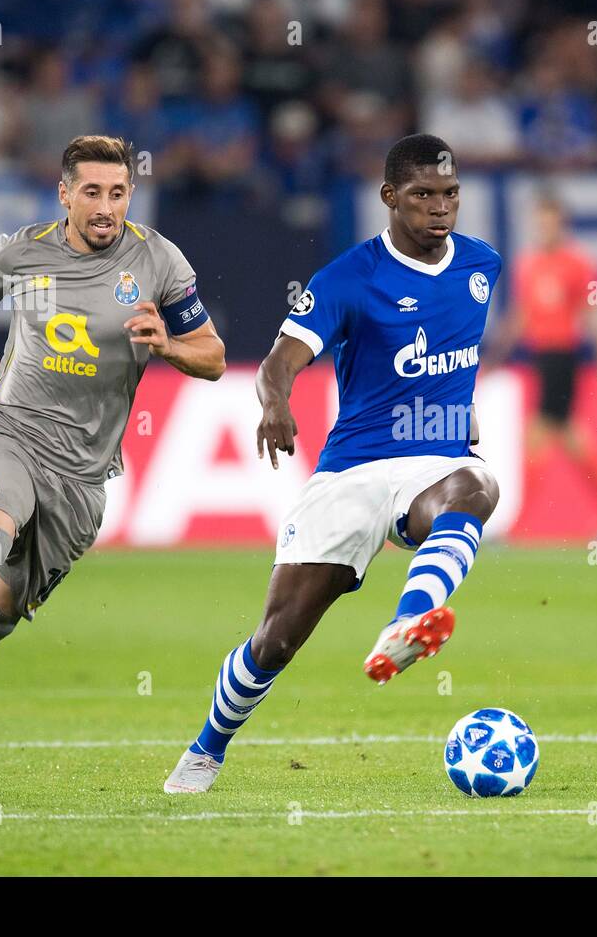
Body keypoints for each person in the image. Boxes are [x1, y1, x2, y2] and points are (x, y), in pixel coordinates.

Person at [0, 135, 226, 780]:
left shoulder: (158, 261)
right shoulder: (23, 252)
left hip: (82, 474)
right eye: (91, 193)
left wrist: (167, 345)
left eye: (117, 193)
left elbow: (214, 357)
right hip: (12, 433)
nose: (106, 206)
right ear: (65, 194)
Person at [163, 134, 502, 795]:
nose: (441, 208)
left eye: (451, 194)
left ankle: (408, 621)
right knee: (276, 642)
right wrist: (274, 404)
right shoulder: (350, 277)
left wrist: (462, 414)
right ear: (389, 198)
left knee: (477, 484)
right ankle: (207, 748)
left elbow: (453, 356)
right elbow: (280, 359)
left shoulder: (483, 265)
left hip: (433, 464)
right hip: (353, 471)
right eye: (423, 195)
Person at [492, 193, 597, 537]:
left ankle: (519, 525)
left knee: (538, 436)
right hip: (541, 358)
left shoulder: (578, 264)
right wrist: (496, 354)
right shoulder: (528, 264)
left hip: (563, 358)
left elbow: (595, 314)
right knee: (572, 439)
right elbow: (521, 315)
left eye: (549, 222)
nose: (543, 228)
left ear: (561, 224)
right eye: (539, 222)